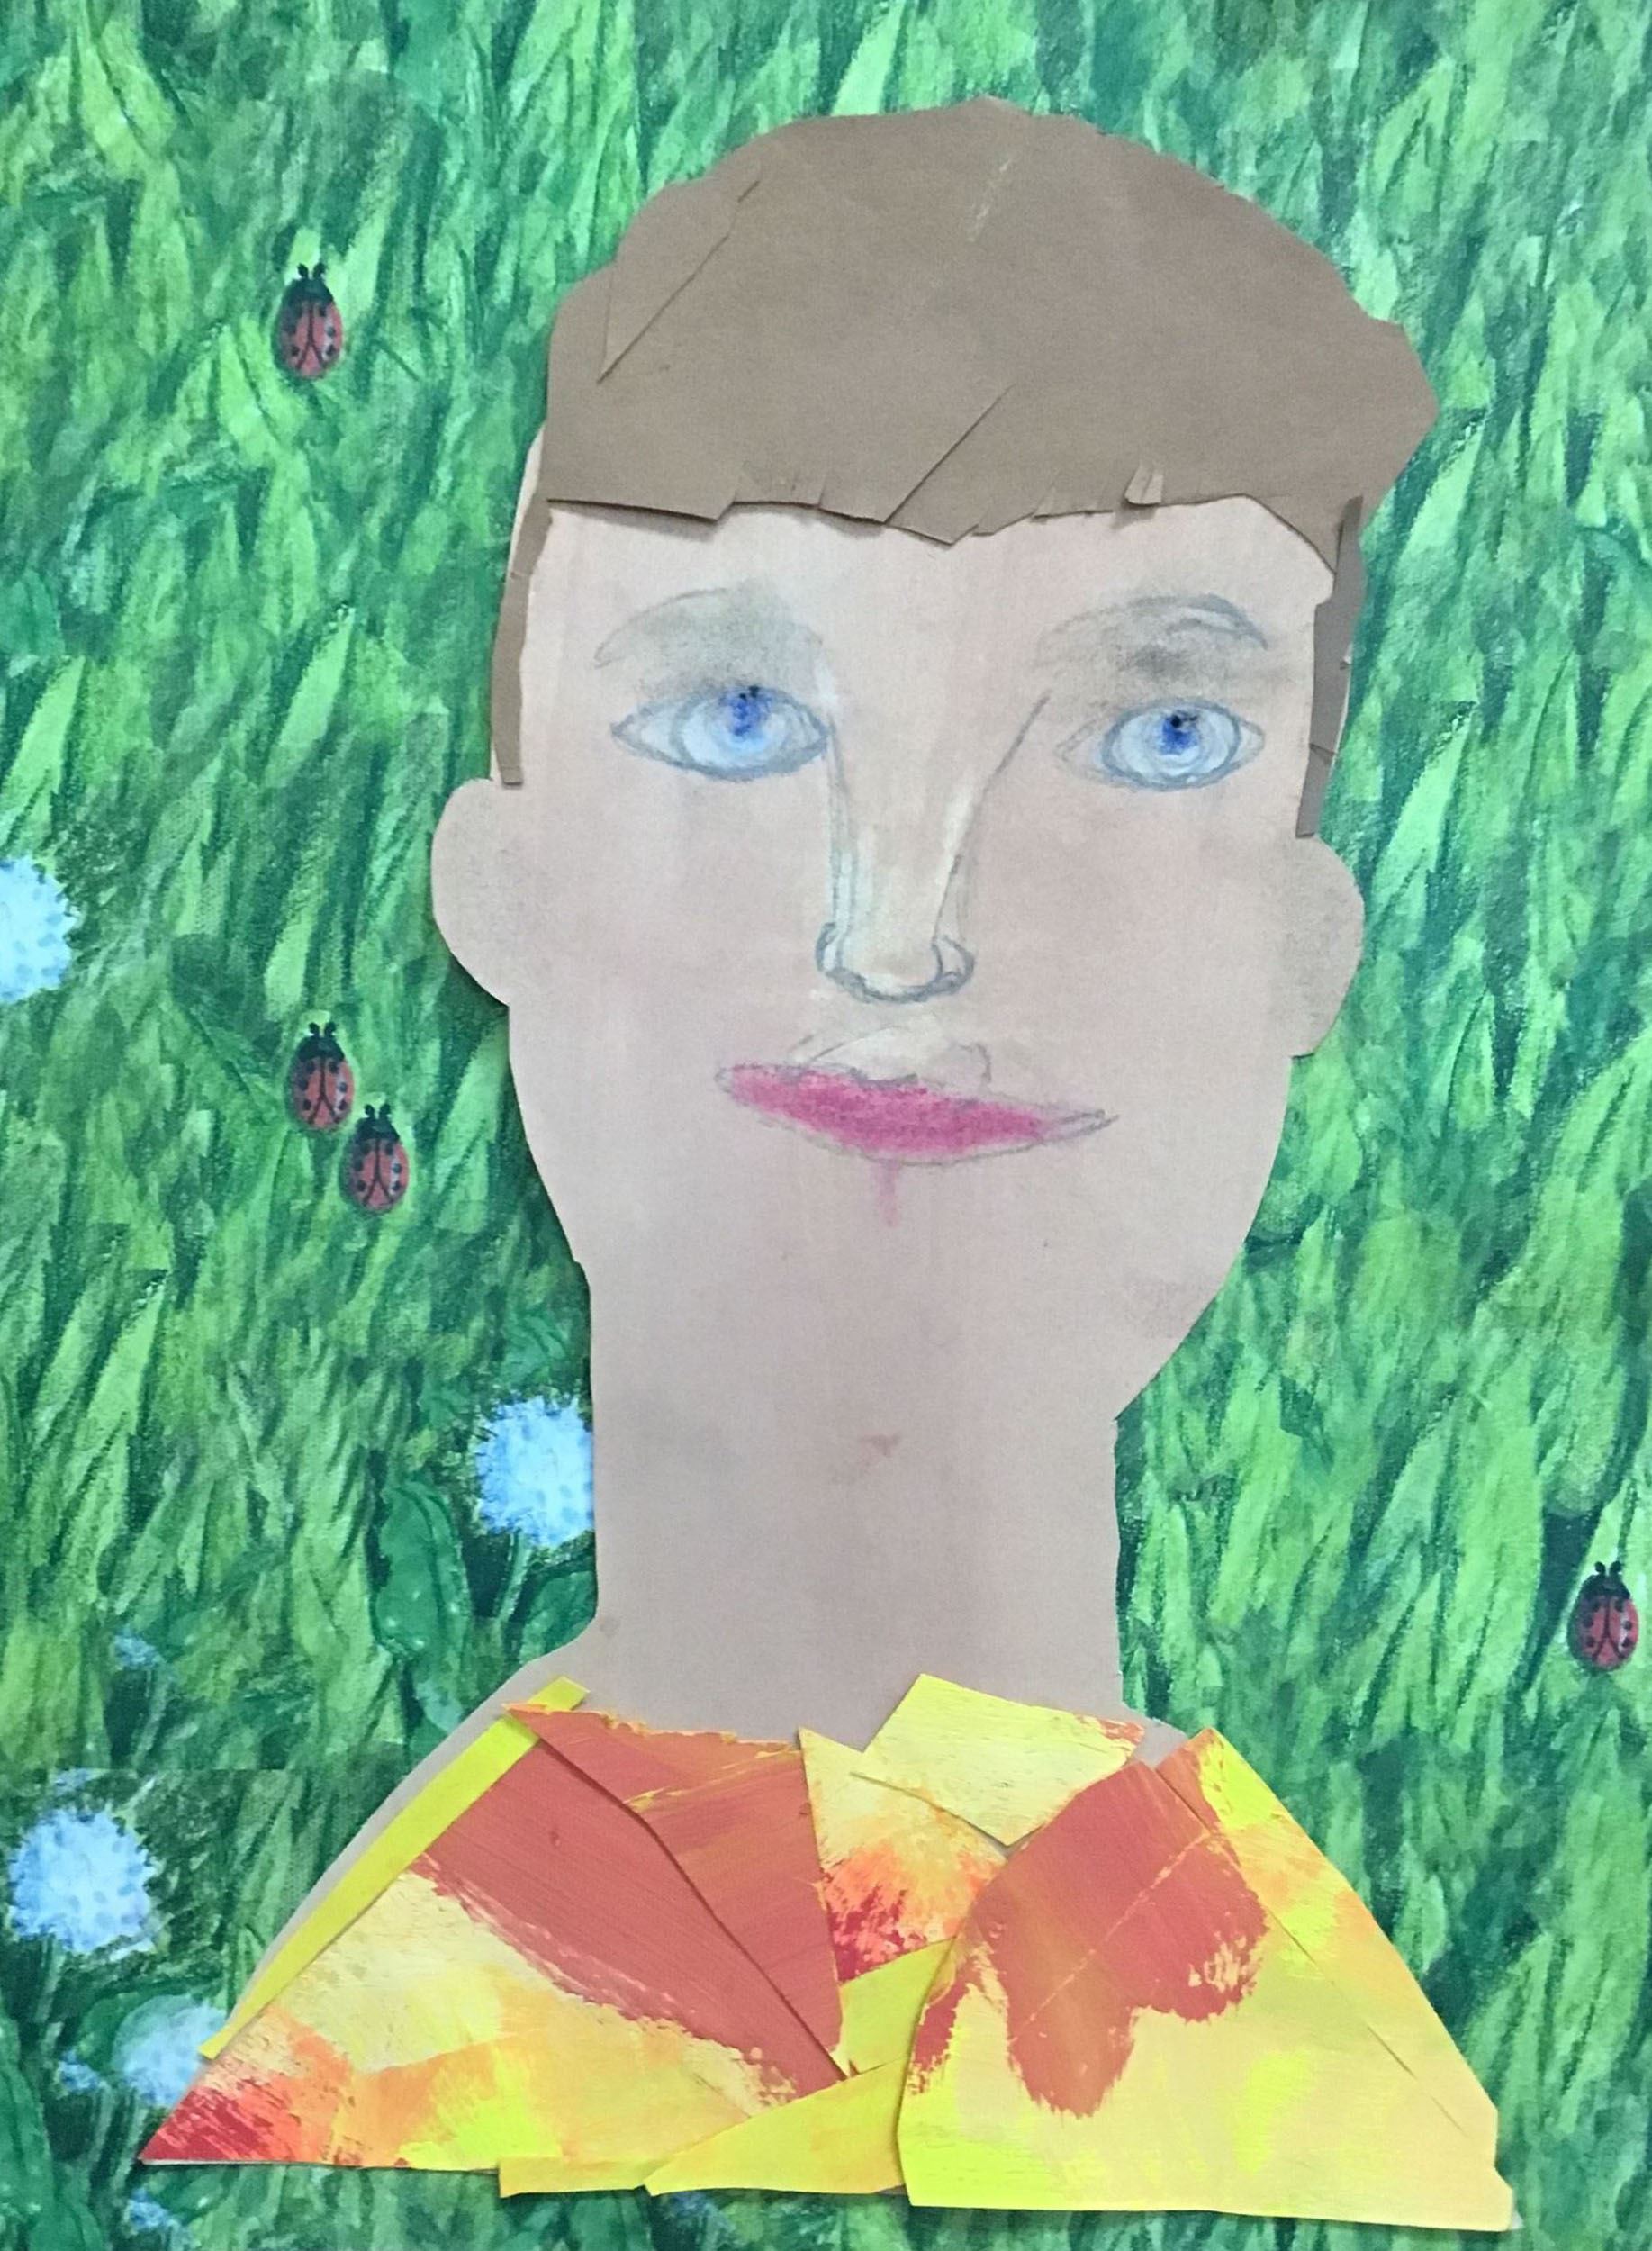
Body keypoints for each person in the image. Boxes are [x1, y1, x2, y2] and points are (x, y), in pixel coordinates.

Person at [146, 102, 1513, 2225]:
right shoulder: (394, 2057)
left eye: (1160, 732)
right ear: (499, 891)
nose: (903, 934)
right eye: (738, 718)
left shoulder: (1334, 2063)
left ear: (1304, 942)